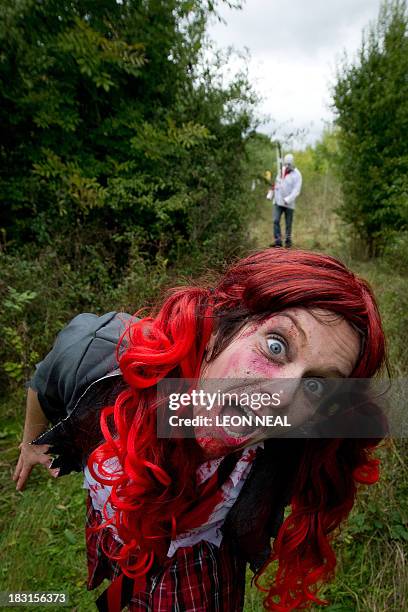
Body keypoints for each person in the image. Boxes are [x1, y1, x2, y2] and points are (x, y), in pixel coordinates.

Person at [13, 248, 386, 612]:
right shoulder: (104, 357)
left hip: (202, 568)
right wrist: (30, 444)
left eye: (316, 386)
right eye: (276, 344)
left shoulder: (283, 448)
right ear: (220, 327)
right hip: (120, 530)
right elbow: (46, 377)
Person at [273, 153, 302, 248]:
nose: (287, 166)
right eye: (286, 164)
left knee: (288, 224)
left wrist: (288, 199)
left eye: (289, 164)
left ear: (292, 163)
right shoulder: (281, 170)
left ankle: (288, 243)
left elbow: (296, 190)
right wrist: (272, 192)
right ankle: (278, 242)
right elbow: (276, 182)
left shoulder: (297, 175)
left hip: (289, 204)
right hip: (278, 201)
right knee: (276, 220)